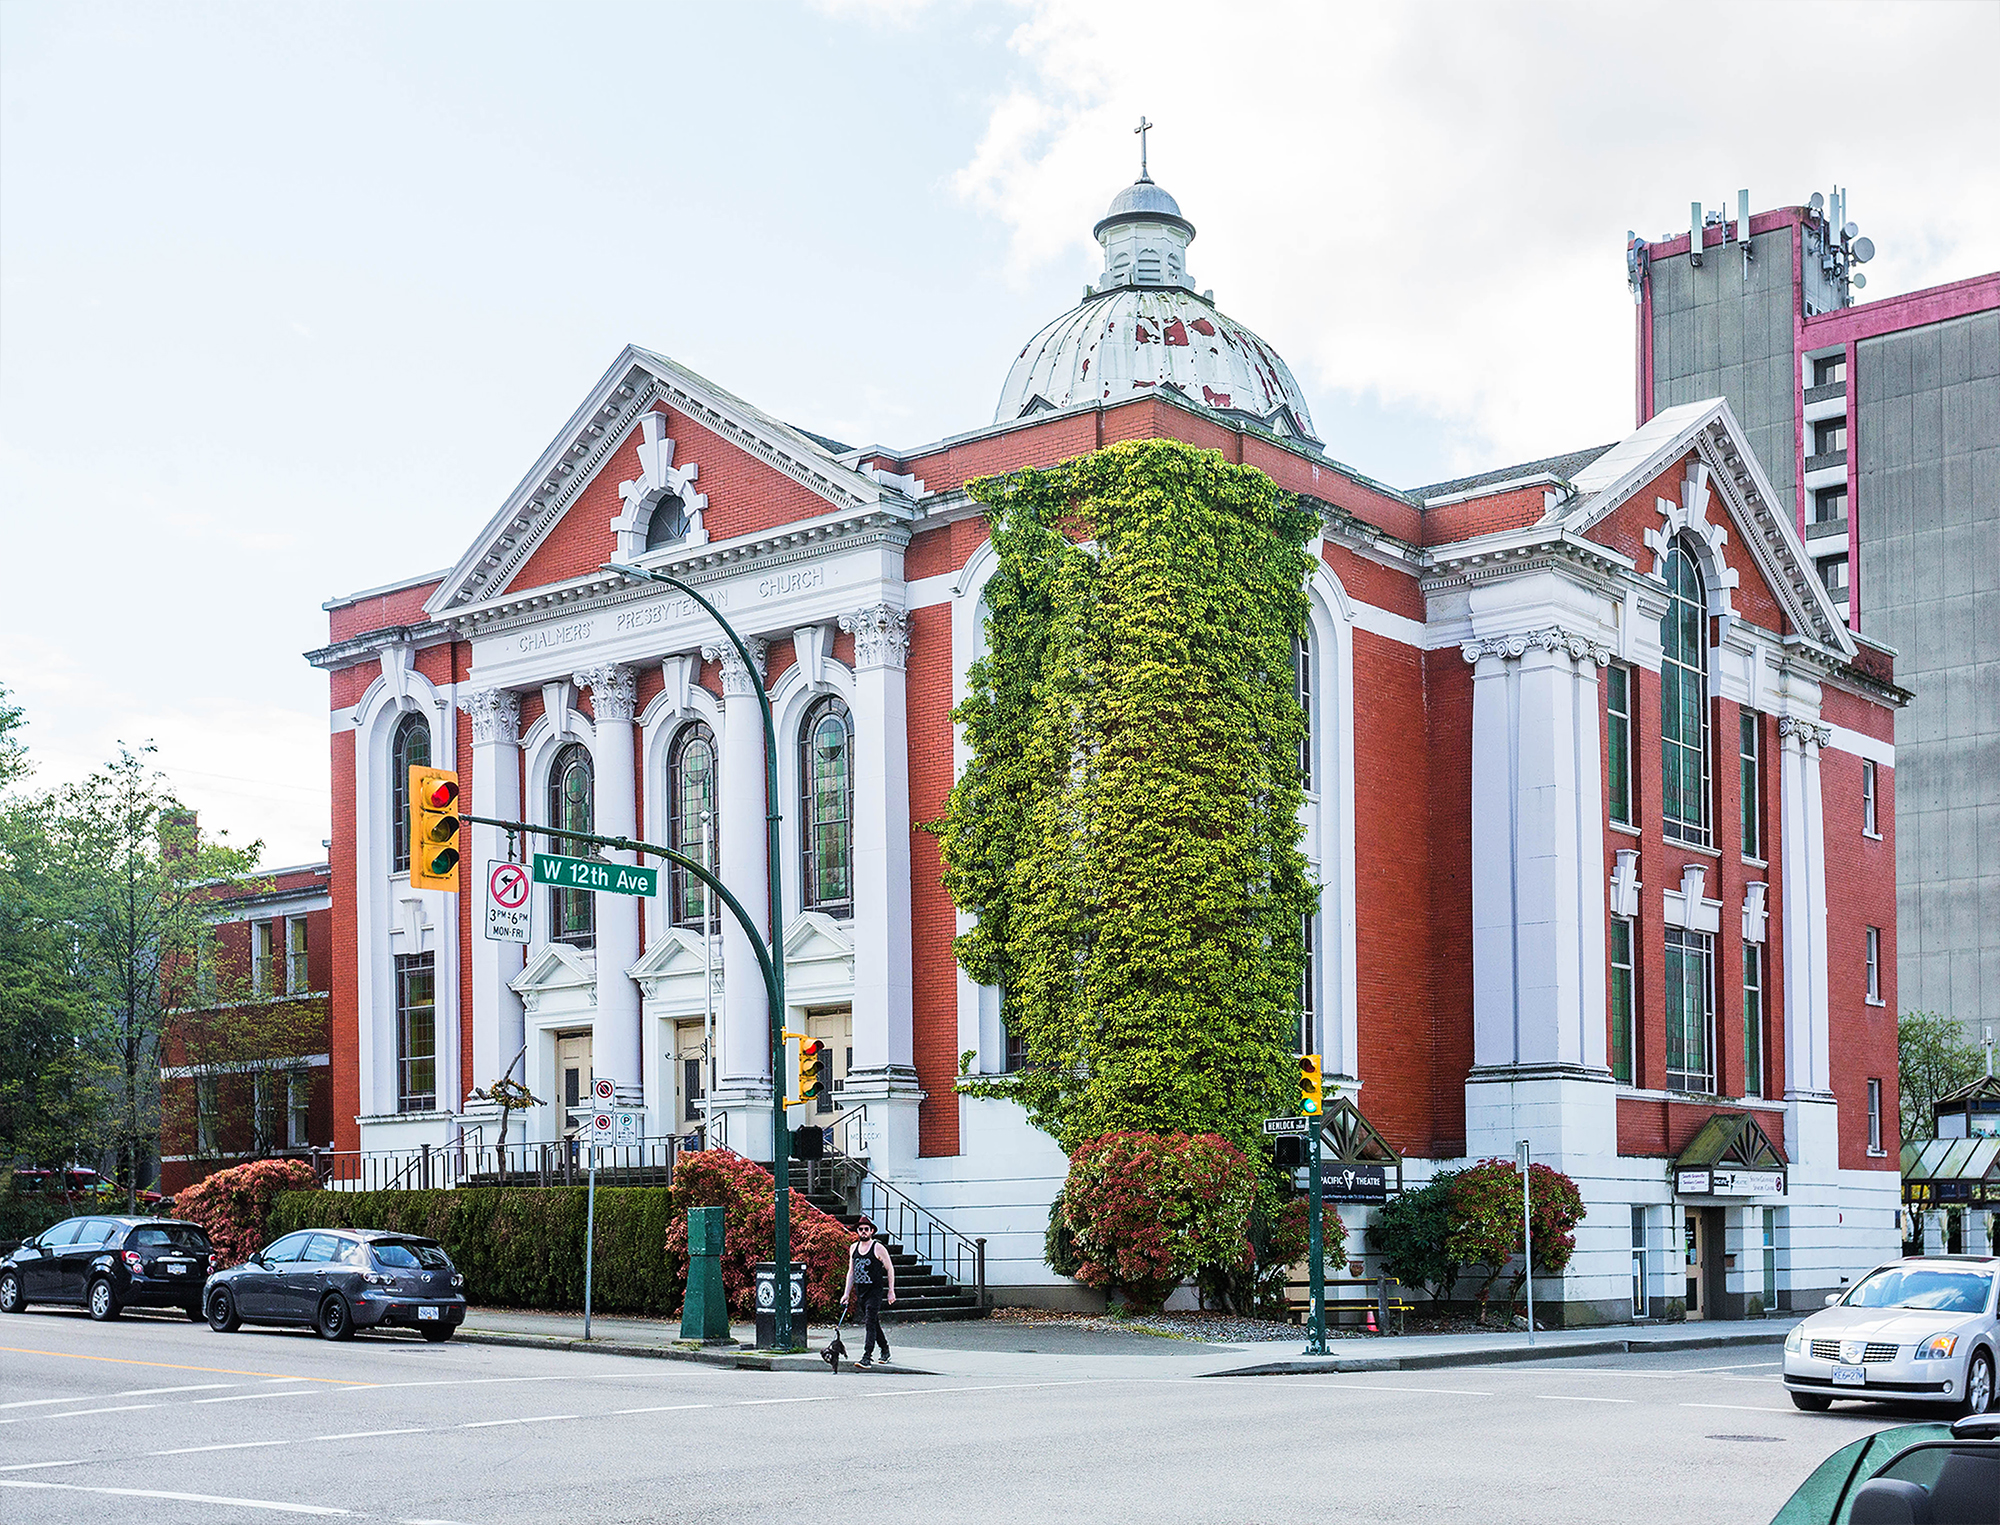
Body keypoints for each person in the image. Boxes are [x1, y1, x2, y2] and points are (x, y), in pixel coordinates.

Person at [841, 1217, 896, 1367]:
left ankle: (867, 1356)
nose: (863, 1232)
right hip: (861, 1291)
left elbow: (890, 1268)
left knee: (869, 1321)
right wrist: (846, 1293)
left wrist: (891, 1291)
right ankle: (885, 1350)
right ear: (857, 1231)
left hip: (875, 1291)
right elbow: (851, 1272)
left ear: (871, 1231)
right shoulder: (853, 1248)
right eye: (861, 1229)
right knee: (873, 1323)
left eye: (866, 1229)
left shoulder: (878, 1248)